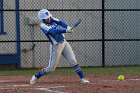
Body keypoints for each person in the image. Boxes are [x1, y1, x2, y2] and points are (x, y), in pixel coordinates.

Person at [30, 9, 90, 84]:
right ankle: (36, 76)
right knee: (51, 68)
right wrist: (65, 30)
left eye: (48, 17)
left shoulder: (52, 19)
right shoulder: (43, 26)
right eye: (46, 18)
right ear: (42, 19)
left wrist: (67, 27)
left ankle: (83, 78)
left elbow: (61, 22)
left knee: (73, 61)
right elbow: (53, 31)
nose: (48, 19)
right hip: (56, 46)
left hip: (64, 42)